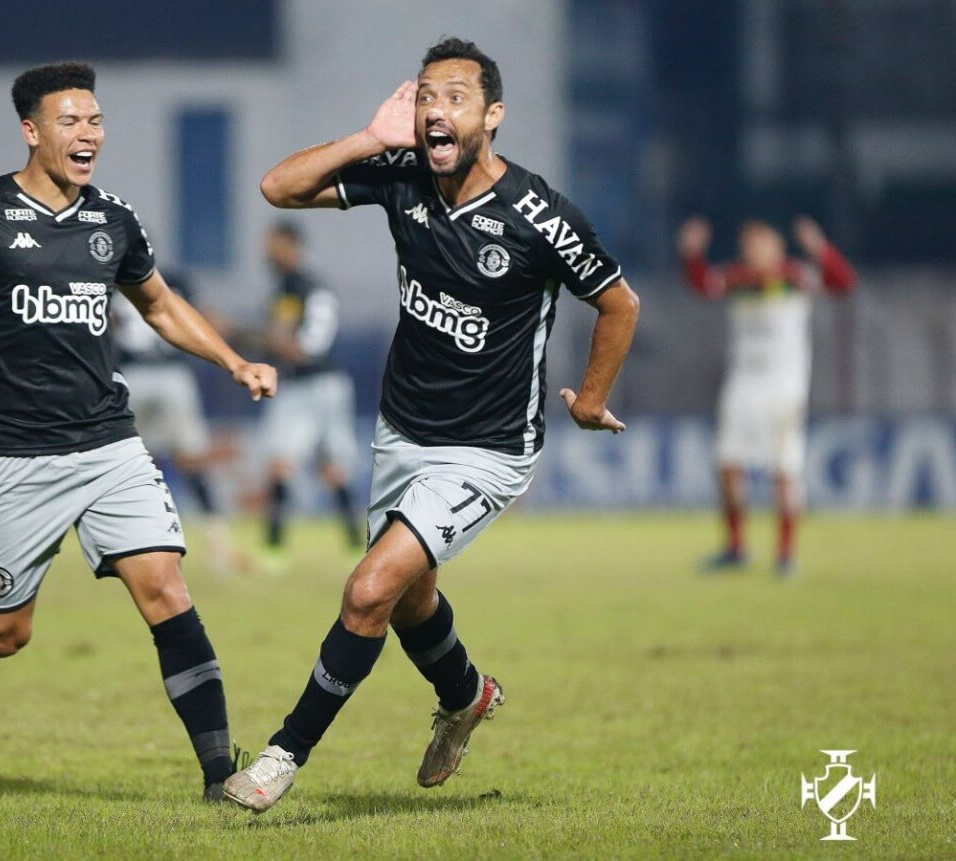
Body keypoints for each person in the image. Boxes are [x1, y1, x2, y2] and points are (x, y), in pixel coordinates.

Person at [223, 38, 640, 812]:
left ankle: (280, 758)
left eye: (454, 96)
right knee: (412, 602)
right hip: (402, 431)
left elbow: (619, 300)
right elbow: (277, 187)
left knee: (368, 590)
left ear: (493, 116)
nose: (436, 110)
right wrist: (368, 139)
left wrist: (588, 396)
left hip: (486, 449)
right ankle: (467, 695)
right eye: (426, 97)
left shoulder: (538, 214)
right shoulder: (404, 173)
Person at [0, 61, 277, 801]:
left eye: (95, 119)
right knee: (5, 635)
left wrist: (231, 358)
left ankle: (221, 776)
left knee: (165, 588)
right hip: (12, 455)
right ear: (32, 131)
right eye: (71, 120)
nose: (88, 132)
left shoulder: (113, 220)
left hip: (108, 444)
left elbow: (160, 305)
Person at [678, 215, 855, 576]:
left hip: (784, 384)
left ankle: (786, 554)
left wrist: (820, 248)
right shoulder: (737, 279)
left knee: (784, 469)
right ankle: (736, 547)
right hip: (743, 382)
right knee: (728, 464)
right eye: (749, 246)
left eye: (761, 244)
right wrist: (692, 254)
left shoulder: (794, 277)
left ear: (777, 248)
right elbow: (702, 285)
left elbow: (843, 282)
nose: (754, 252)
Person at [111, 271, 237, 574]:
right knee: (191, 460)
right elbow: (200, 318)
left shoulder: (109, 279)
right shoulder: (173, 280)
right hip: (172, 376)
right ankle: (217, 541)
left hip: (135, 375)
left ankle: (134, 544)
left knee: (133, 462)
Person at [258, 221, 361, 564]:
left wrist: (236, 334)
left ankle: (274, 550)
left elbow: (295, 345)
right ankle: (354, 546)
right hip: (325, 384)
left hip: (308, 385)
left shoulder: (297, 286)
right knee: (333, 468)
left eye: (274, 244)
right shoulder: (304, 285)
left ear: (291, 245)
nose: (268, 252)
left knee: (283, 465)